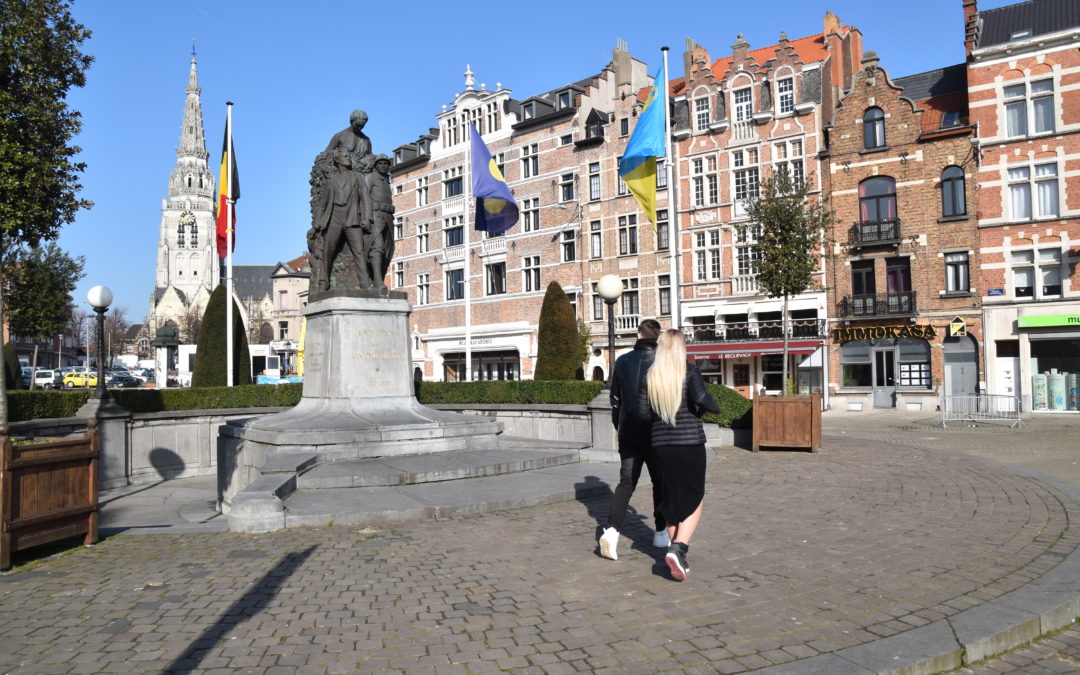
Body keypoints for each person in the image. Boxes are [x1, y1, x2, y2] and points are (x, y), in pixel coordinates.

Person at [635, 328, 719, 581]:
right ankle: (678, 547)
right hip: (689, 443)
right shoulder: (690, 371)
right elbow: (704, 400)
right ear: (681, 349)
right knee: (694, 497)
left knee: (671, 501)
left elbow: (641, 414)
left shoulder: (650, 377)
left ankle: (678, 556)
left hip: (661, 445)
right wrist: (708, 409)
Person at [599, 319, 668, 561]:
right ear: (657, 337)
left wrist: (620, 426)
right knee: (660, 482)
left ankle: (611, 531)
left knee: (626, 483)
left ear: (638, 335)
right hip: (657, 432)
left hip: (629, 432)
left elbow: (615, 400)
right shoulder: (664, 360)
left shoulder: (623, 360)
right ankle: (660, 532)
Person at [315, 148, 373, 290]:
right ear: (337, 159)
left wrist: (367, 218)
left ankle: (365, 283)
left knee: (359, 251)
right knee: (328, 250)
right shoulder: (331, 180)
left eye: (349, 156)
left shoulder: (357, 176)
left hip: (352, 216)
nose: (348, 158)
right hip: (334, 217)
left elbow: (366, 199)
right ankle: (324, 281)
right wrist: (317, 224)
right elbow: (322, 204)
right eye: (345, 156)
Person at [365, 154, 395, 291]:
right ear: (375, 165)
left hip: (388, 217)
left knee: (388, 251)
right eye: (380, 163)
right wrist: (366, 217)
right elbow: (363, 198)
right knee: (377, 247)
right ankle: (377, 281)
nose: (383, 166)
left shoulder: (387, 179)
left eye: (386, 163)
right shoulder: (371, 178)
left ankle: (379, 277)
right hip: (375, 216)